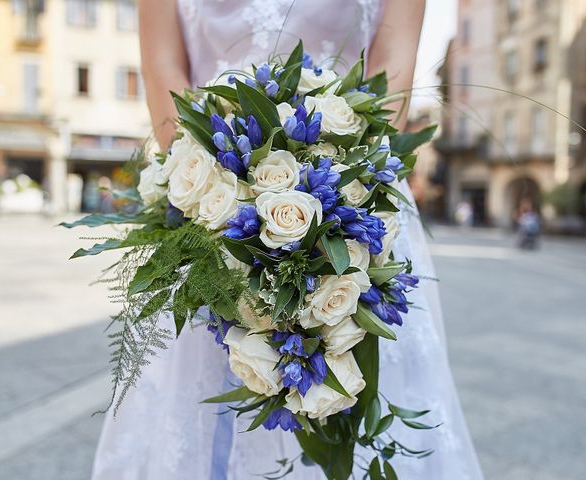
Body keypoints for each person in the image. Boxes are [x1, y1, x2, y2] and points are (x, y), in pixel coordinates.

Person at [91, 1, 485, 479]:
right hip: (206, 201)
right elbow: (165, 77)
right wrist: (219, 192)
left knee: (348, 386)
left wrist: (334, 195)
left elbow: (392, 81)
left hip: (351, 192)